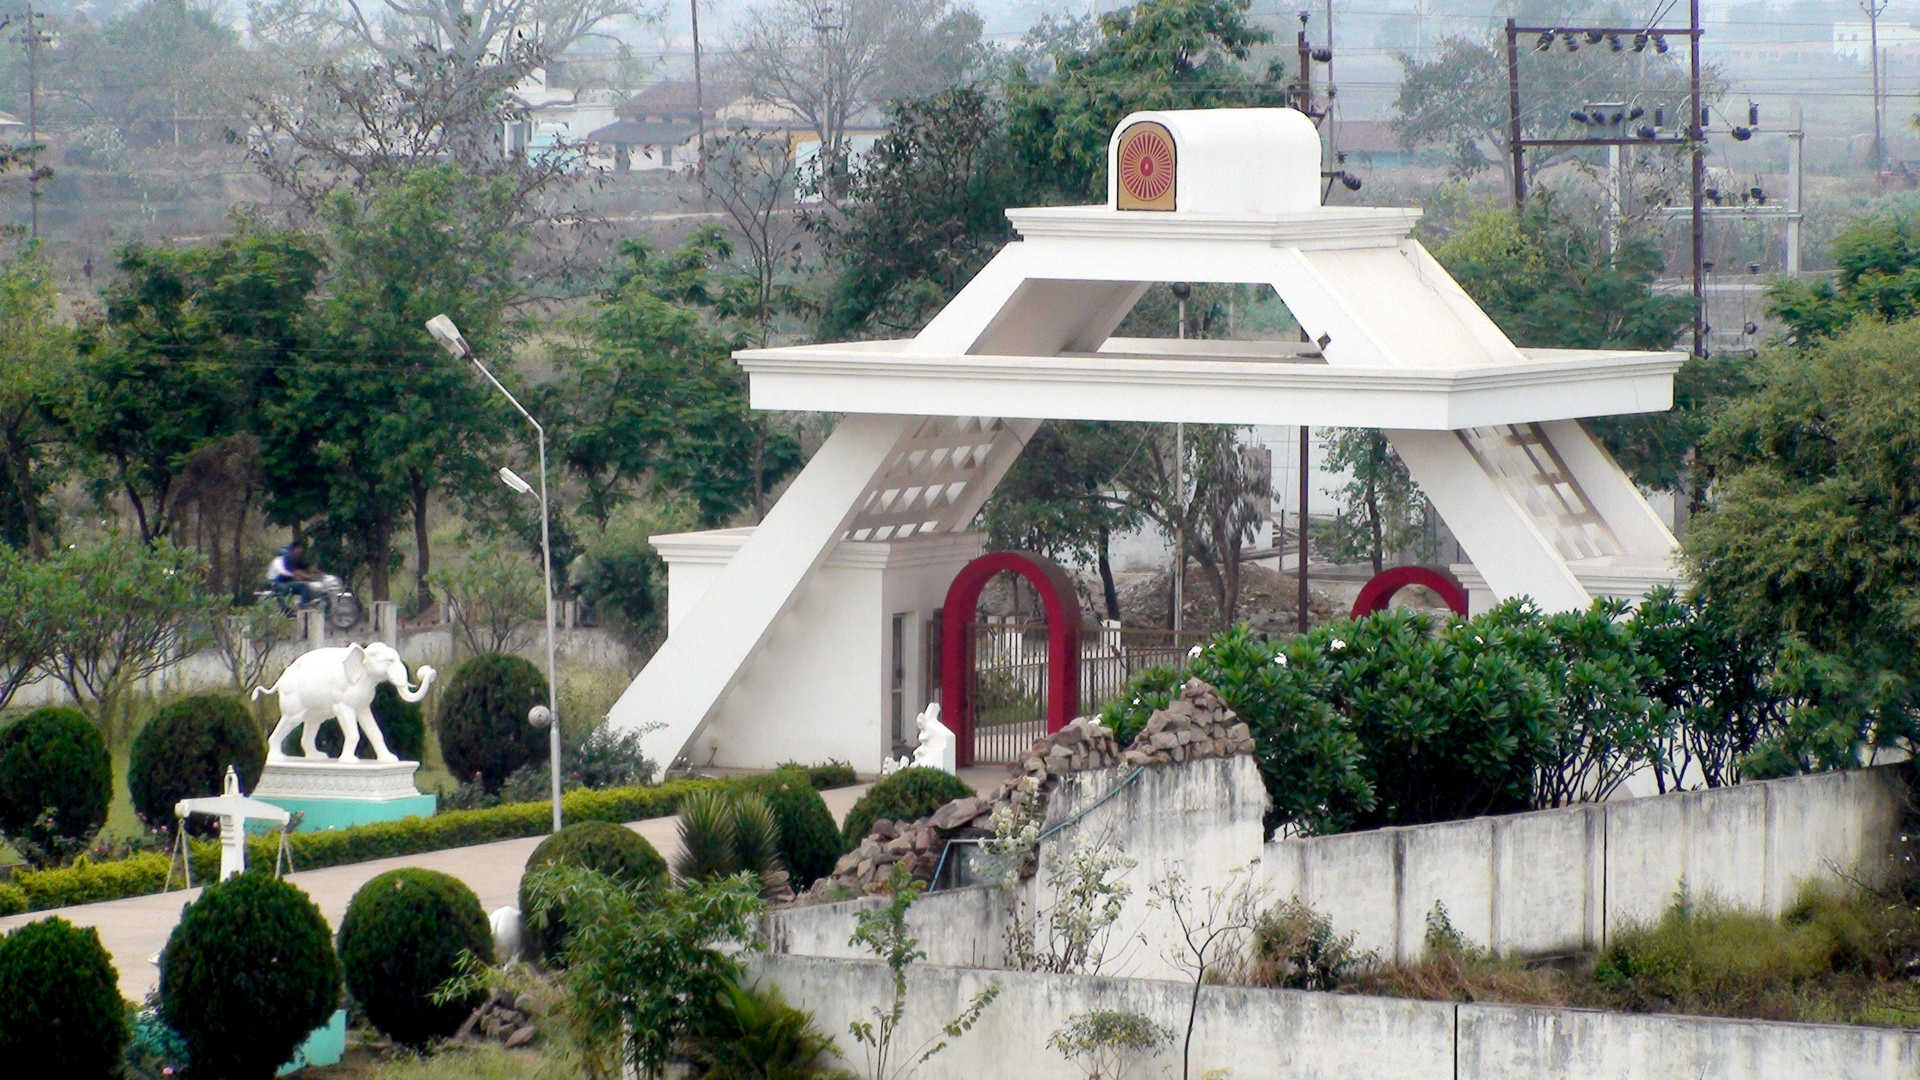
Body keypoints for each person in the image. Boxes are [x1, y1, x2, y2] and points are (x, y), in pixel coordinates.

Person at [267, 541, 321, 608]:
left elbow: (307, 567)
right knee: (304, 587)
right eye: (299, 548)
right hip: (280, 585)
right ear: (294, 549)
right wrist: (311, 578)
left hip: (284, 584)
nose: (301, 551)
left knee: (305, 587)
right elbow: (297, 573)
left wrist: (320, 573)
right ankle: (303, 606)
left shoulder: (296, 559)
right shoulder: (288, 558)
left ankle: (305, 604)